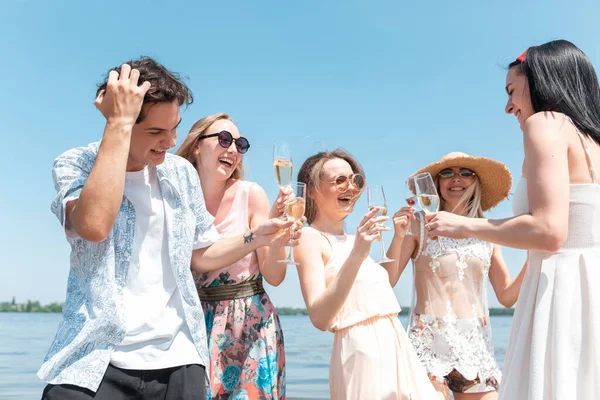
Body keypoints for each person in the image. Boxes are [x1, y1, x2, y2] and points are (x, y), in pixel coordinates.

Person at [38, 57, 301, 400]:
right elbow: (94, 225)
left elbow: (202, 253)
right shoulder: (77, 163)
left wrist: (258, 236)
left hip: (180, 361)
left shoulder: (180, 174)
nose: (170, 141)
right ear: (119, 119)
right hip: (94, 360)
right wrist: (118, 123)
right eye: (156, 132)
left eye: (175, 128)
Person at [425, 40, 600, 400]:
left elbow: (550, 233)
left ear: (541, 82)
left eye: (511, 91)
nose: (508, 107)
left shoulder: (545, 124)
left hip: (560, 292)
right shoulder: (592, 140)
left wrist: (463, 226)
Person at [293, 149, 440, 400]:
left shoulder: (354, 239)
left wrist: (398, 236)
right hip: (361, 354)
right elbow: (319, 317)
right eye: (339, 180)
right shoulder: (309, 238)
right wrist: (359, 252)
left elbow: (385, 285)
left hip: (396, 347)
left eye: (355, 180)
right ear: (313, 191)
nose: (350, 187)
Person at [386, 152, 525, 400]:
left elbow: (506, 295)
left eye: (466, 173)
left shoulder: (487, 230)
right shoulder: (418, 224)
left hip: (475, 346)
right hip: (429, 346)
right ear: (437, 184)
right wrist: (398, 237)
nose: (456, 179)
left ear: (476, 182)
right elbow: (387, 282)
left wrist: (537, 257)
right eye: (447, 173)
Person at [177, 113, 296, 399]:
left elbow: (275, 277)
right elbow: (193, 260)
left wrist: (279, 238)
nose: (232, 149)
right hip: (194, 325)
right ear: (196, 146)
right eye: (224, 139)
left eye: (239, 144)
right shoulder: (178, 196)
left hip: (251, 325)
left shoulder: (250, 194)